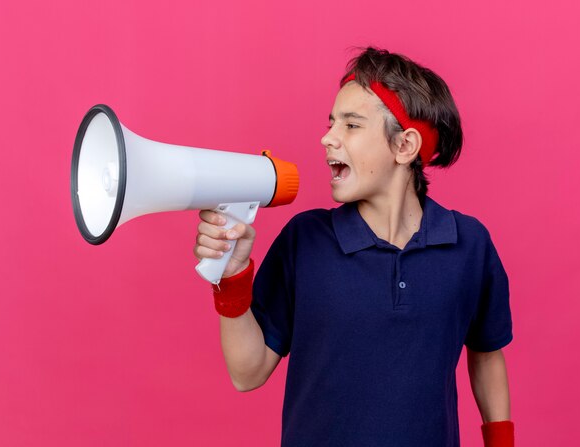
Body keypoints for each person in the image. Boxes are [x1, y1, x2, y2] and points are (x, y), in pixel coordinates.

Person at [194, 47, 514, 447]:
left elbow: (486, 354)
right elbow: (247, 373)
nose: (327, 138)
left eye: (351, 125)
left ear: (404, 146)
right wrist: (231, 276)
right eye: (331, 123)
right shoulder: (304, 240)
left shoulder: (470, 244)